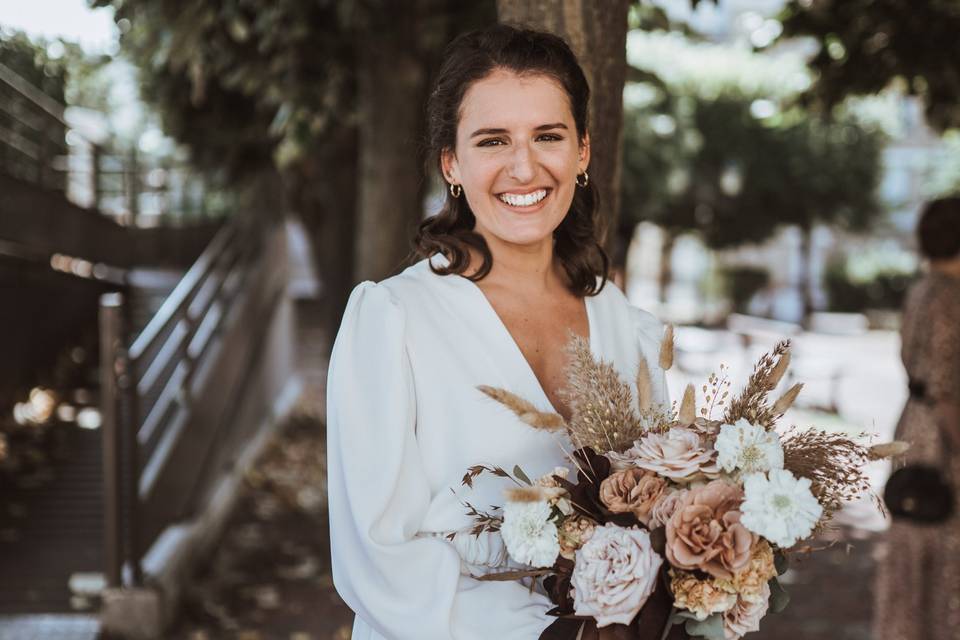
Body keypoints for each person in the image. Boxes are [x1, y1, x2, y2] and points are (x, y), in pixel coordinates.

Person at [326, 24, 670, 640]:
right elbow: (375, 557)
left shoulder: (629, 328)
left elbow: (652, 515)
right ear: (451, 163)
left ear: (583, 151)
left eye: (548, 136)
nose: (524, 166)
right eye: (493, 140)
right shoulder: (392, 321)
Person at [875, 196, 960, 640]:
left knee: (911, 550)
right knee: (944, 555)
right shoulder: (951, 297)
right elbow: (945, 386)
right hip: (942, 434)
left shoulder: (921, 288)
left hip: (912, 427)